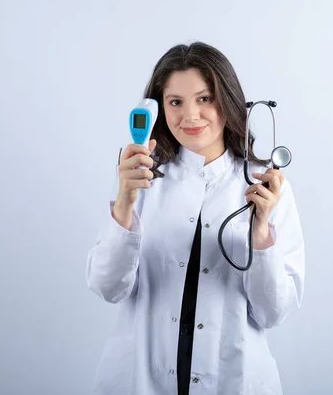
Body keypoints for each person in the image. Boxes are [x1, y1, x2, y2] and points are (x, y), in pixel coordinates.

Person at [86, 42, 305, 394]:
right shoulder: (141, 178)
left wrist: (261, 231)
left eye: (204, 99)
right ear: (157, 109)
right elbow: (107, 287)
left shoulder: (267, 186)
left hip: (234, 378)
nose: (190, 116)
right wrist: (124, 202)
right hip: (141, 376)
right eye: (176, 102)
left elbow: (272, 313)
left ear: (229, 101)